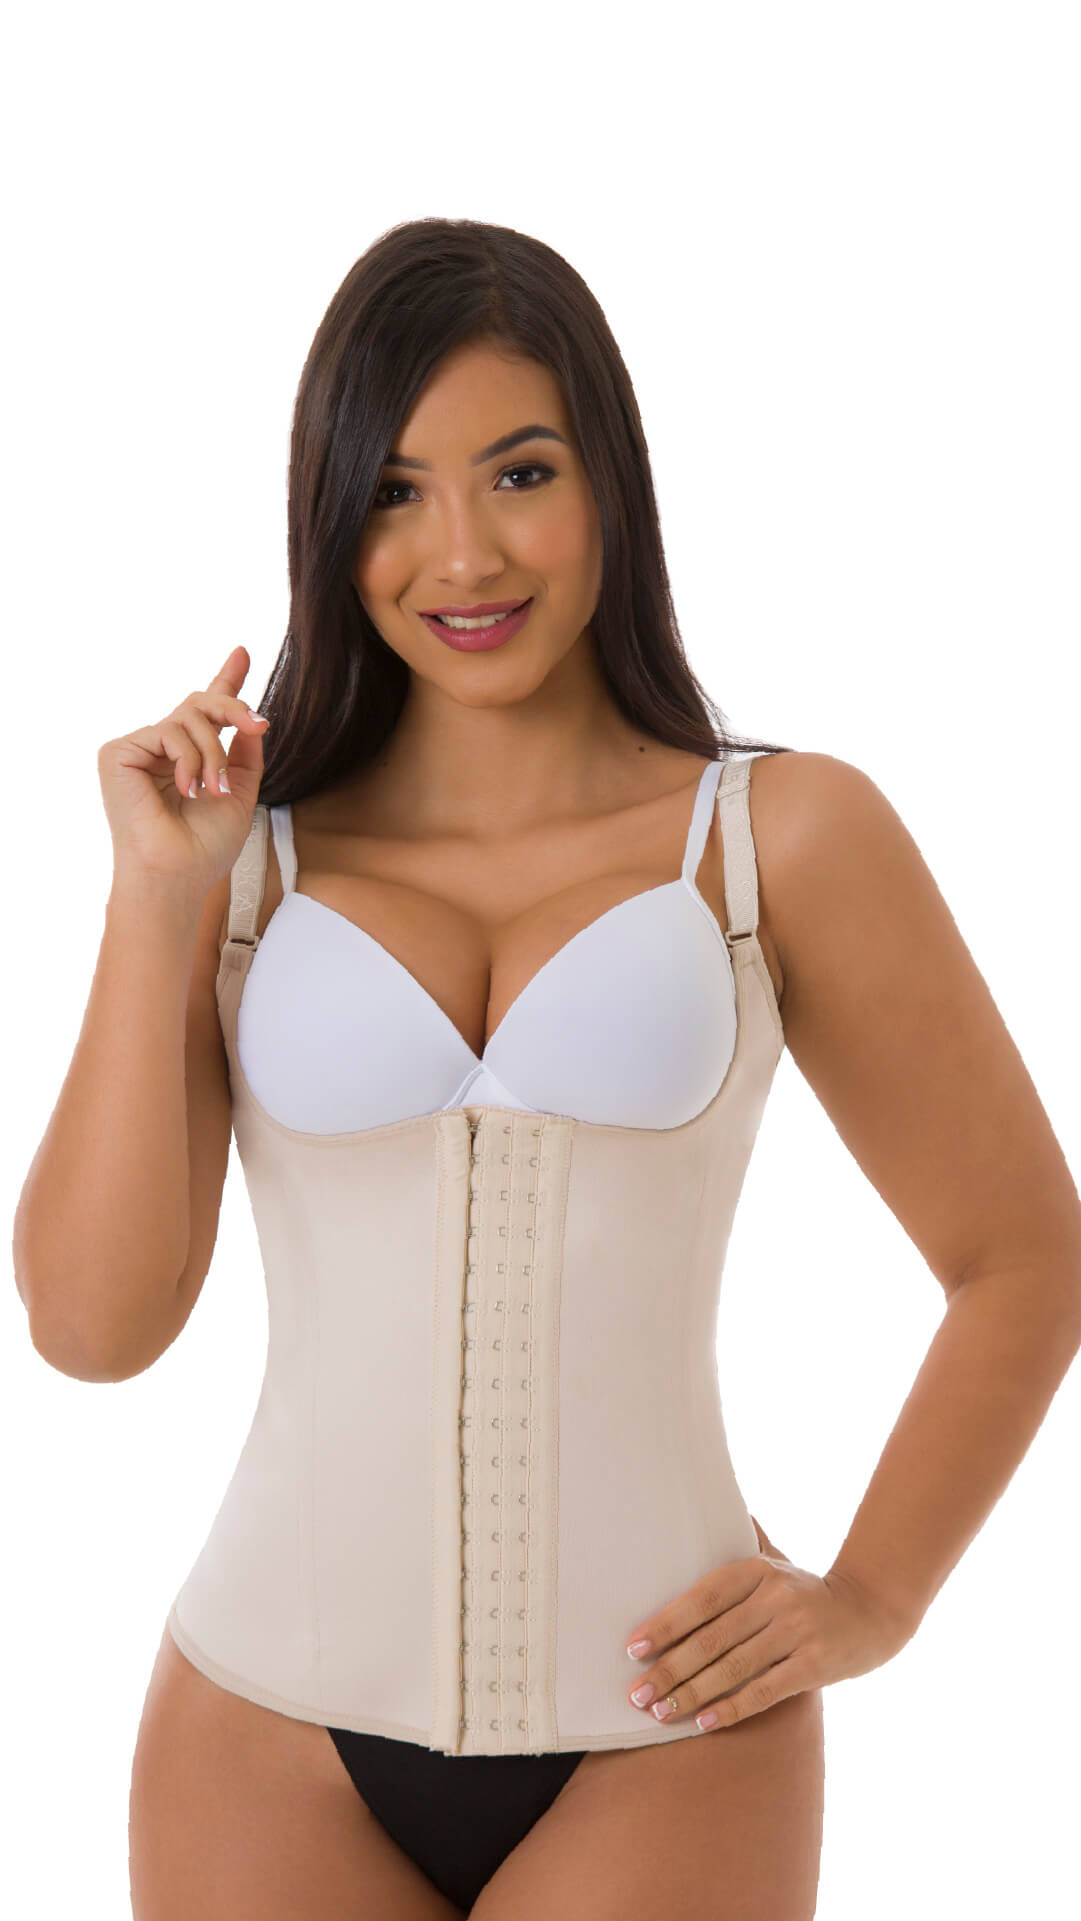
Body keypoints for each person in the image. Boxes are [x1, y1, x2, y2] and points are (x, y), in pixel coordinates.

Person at [14, 219, 1081, 1921]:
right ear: (330, 521)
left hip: (674, 1725)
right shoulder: (240, 867)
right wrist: (156, 899)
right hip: (263, 1728)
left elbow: (1022, 1254)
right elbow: (91, 1328)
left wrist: (876, 1595)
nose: (463, 552)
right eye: (394, 490)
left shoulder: (780, 837)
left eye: (520, 472)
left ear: (610, 484)